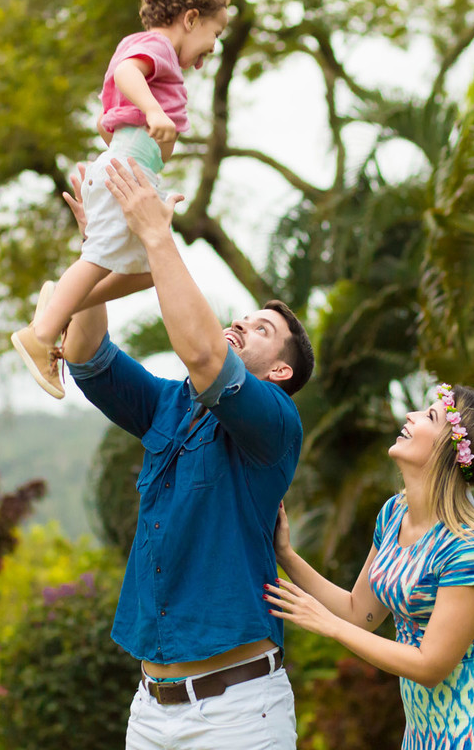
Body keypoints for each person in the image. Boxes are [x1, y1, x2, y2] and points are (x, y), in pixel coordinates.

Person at [59, 156, 315, 749]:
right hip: (151, 711)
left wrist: (156, 235)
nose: (240, 324)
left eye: (260, 329)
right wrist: (97, 248)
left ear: (278, 369)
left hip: (239, 714)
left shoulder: (276, 423)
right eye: (243, 316)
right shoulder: (168, 405)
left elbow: (205, 358)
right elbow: (85, 351)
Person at [265, 383, 474, 749]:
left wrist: (329, 626)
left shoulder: (469, 547)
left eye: (430, 416)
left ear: (450, 452)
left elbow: (430, 665)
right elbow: (360, 613)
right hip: (422, 724)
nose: (411, 415)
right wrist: (287, 556)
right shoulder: (394, 515)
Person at [11, 0, 231, 398]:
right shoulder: (157, 48)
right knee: (97, 258)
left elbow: (105, 119)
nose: (211, 51)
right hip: (128, 169)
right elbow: (129, 75)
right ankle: (41, 335)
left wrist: (132, 127)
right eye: (214, 34)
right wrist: (152, 111)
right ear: (190, 19)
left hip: (129, 165)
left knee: (152, 268)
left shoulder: (155, 54)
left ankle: (61, 306)